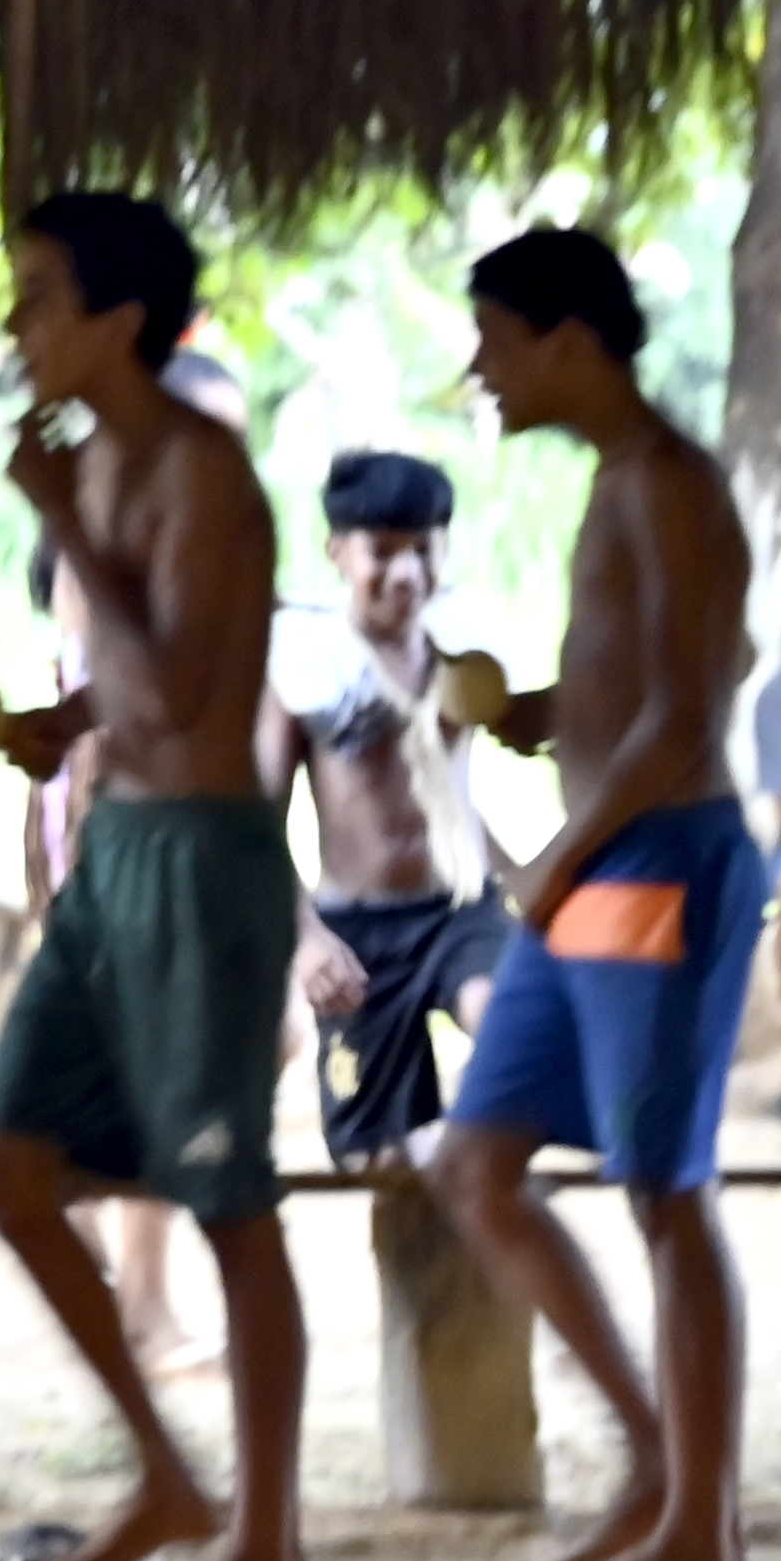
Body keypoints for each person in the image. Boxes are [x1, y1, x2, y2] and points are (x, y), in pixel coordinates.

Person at [0, 193, 308, 1561]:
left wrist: (55, 524)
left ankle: (267, 1550)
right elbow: (133, 681)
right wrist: (51, 721)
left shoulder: (196, 472)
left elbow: (181, 694)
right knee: (3, 1164)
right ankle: (169, 1480)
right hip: (112, 858)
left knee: (224, 1202)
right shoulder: (100, 465)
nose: (12, 324)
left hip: (202, 861)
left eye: (34, 295)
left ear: (117, 321)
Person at [422, 230, 765, 1561]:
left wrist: (553, 855)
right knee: (476, 1166)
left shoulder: (670, 486)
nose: (479, 372)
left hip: (650, 867)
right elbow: (640, 689)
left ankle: (702, 1536)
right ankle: (650, 1462)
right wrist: (533, 721)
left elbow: (687, 715)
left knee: (664, 1191)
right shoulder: (625, 483)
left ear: (569, 341)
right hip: (602, 873)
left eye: (494, 340)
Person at [266, 449, 512, 1176]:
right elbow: (257, 826)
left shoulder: (461, 649)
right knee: (381, 1168)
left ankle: (480, 1175)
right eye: (381, 551)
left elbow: (451, 794)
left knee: (504, 1025)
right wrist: (305, 939)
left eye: (421, 549)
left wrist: (525, 874)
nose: (404, 573)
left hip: (459, 909)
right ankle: (435, 1186)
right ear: (336, 552)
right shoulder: (300, 666)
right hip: (356, 932)